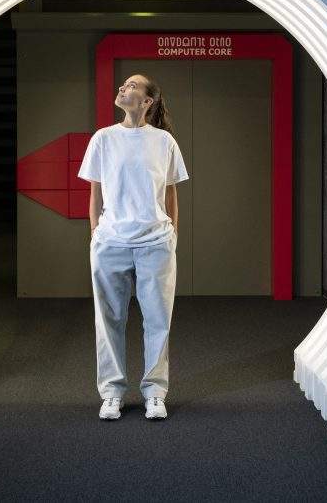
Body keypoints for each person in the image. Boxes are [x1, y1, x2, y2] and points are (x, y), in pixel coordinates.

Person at [77, 74, 189, 421]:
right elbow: (95, 191)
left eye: (133, 86)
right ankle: (111, 393)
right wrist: (96, 232)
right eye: (123, 85)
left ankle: (155, 392)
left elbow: (171, 193)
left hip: (156, 242)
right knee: (109, 319)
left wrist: (172, 237)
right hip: (110, 242)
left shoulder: (164, 141)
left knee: (158, 320)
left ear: (147, 101)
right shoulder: (103, 138)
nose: (123, 88)